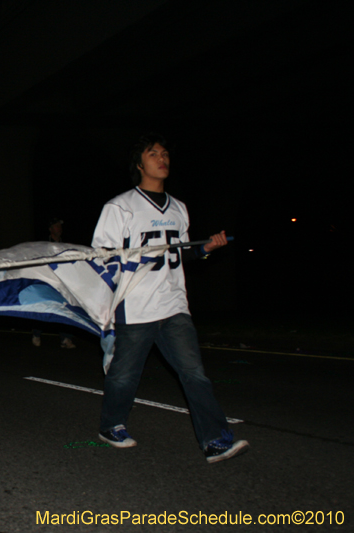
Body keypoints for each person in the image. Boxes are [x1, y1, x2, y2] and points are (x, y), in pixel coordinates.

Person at [91, 133, 249, 464]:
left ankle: (215, 440)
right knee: (123, 375)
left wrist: (205, 249)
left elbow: (181, 255)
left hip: (174, 304)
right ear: (139, 164)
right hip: (135, 306)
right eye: (153, 154)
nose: (162, 158)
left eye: (165, 154)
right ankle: (111, 424)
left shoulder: (179, 208)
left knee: (194, 373)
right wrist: (125, 257)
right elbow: (101, 258)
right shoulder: (119, 207)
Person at [31, 218, 76, 349]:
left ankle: (65, 338)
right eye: (56, 226)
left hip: (62, 281)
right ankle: (36, 333)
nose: (59, 228)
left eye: (59, 226)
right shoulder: (44, 244)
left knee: (66, 307)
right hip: (47, 280)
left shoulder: (65, 244)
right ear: (50, 229)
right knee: (45, 307)